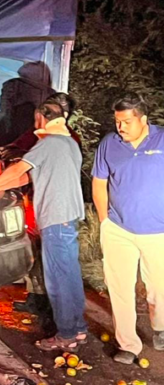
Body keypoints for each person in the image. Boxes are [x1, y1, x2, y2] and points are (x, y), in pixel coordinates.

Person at [0, 99, 86, 352]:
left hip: (55, 219)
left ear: (40, 118)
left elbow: (19, 167)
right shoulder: (69, 143)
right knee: (69, 276)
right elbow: (26, 176)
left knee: (58, 280)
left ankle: (67, 333)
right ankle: (77, 328)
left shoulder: (49, 143)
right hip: (68, 219)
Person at [92, 92, 164, 364]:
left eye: (126, 122)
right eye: (117, 122)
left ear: (143, 119)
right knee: (119, 288)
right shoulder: (109, 144)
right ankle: (128, 344)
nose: (120, 127)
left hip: (158, 231)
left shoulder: (162, 140)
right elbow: (99, 183)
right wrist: (104, 221)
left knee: (159, 287)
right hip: (118, 229)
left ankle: (160, 327)